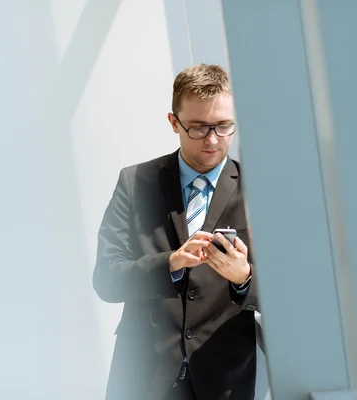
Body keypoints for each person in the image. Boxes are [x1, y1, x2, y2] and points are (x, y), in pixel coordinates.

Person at [93, 64, 259, 400]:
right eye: (198, 128)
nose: (212, 140)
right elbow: (107, 279)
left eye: (224, 126)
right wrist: (168, 263)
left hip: (224, 379)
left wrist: (244, 277)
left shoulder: (258, 189)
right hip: (144, 378)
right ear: (174, 123)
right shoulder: (135, 183)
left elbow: (291, 295)